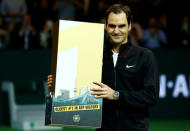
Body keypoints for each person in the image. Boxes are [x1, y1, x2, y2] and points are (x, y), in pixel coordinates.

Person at [47, 4, 159, 131]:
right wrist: (58, 86)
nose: (116, 31)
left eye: (121, 26)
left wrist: (116, 95)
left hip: (135, 128)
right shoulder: (94, 55)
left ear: (129, 26)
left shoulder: (145, 56)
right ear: (105, 26)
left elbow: (151, 96)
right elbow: (79, 87)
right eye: (112, 26)